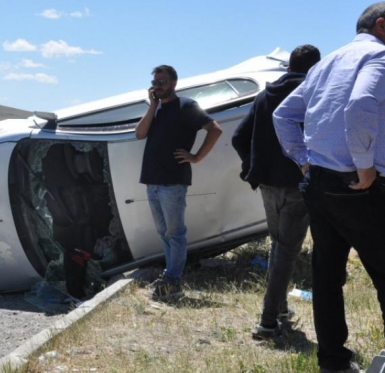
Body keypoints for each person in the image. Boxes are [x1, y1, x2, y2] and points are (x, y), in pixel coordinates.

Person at [273, 1, 385, 373]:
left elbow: (282, 115)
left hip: (318, 182)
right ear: (382, 25)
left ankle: (333, 363)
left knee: (327, 276)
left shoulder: (327, 61)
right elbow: (360, 104)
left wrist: (303, 160)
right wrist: (365, 165)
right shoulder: (380, 55)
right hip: (358, 185)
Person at [232, 44, 321, 340]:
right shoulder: (314, 95)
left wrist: (255, 166)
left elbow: (238, 138)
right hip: (300, 183)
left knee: (279, 247)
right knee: (285, 251)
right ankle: (268, 321)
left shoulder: (264, 97)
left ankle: (280, 309)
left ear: (288, 67)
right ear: (315, 69)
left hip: (268, 185)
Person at [135, 65, 223, 300]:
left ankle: (173, 281)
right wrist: (153, 105)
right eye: (155, 81)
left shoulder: (187, 106)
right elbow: (139, 134)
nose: (158, 86)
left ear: (174, 82)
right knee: (164, 232)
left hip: (173, 181)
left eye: (162, 81)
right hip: (152, 180)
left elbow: (214, 129)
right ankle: (170, 275)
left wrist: (196, 157)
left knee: (175, 233)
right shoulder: (156, 109)